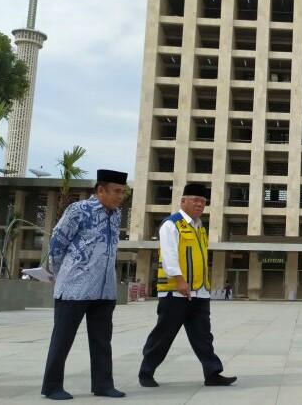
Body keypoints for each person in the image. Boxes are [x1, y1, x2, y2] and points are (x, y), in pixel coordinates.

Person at [41, 170, 128, 400]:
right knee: (62, 338)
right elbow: (57, 242)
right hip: (74, 288)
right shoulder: (79, 210)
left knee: (102, 340)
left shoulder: (117, 214)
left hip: (105, 289)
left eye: (123, 192)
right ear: (100, 190)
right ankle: (51, 386)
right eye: (116, 191)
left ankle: (103, 384)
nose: (121, 196)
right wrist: (62, 274)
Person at [139, 183, 236, 388]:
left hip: (199, 292)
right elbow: (169, 255)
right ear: (183, 201)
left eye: (203, 202)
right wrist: (180, 281)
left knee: (203, 336)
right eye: (195, 200)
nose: (200, 204)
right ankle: (146, 372)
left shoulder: (200, 227)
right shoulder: (172, 224)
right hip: (176, 292)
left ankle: (212, 373)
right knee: (164, 335)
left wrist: (204, 289)